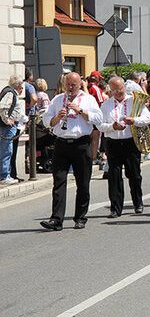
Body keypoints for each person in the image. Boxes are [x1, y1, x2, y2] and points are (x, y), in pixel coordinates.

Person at [40, 72, 102, 230]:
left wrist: (80, 111)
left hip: (81, 144)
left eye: (73, 85)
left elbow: (98, 119)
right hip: (61, 144)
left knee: (82, 183)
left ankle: (80, 217)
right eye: (68, 84)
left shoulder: (89, 99)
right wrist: (57, 118)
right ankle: (56, 219)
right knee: (59, 181)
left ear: (80, 84)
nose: (70, 88)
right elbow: (47, 121)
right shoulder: (58, 99)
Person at [97, 77, 150, 218]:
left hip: (130, 142)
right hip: (113, 143)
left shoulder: (134, 100)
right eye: (114, 90)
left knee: (134, 175)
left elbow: (147, 118)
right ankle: (115, 208)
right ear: (110, 90)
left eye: (120, 89)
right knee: (114, 176)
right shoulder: (106, 105)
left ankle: (138, 203)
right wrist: (112, 126)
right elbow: (100, 125)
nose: (118, 92)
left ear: (124, 88)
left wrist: (134, 120)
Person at [0, 76, 23, 185]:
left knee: (6, 150)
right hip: (8, 127)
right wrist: (7, 120)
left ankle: (4, 175)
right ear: (18, 85)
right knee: (6, 150)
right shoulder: (10, 92)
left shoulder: (9, 91)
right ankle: (4, 176)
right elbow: (3, 107)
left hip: (9, 126)